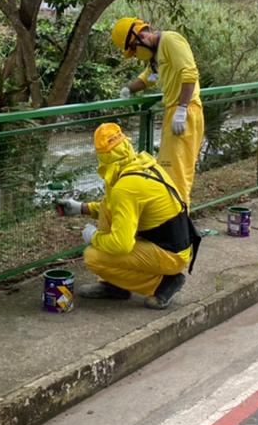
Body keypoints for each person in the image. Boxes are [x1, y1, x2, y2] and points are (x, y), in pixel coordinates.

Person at [59, 123, 200, 309]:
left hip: (170, 254)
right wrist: (81, 208)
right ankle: (115, 285)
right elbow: (113, 207)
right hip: (175, 245)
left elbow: (121, 244)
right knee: (109, 220)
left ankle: (164, 284)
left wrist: (94, 237)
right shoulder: (140, 164)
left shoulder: (126, 187)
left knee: (93, 256)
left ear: (103, 156)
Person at [110, 16, 204, 206]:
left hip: (185, 111)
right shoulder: (158, 55)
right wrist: (128, 89)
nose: (136, 55)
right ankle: (177, 223)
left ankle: (179, 226)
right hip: (175, 111)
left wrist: (182, 108)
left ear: (141, 35)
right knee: (171, 171)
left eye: (134, 49)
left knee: (175, 175)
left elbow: (190, 73)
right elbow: (149, 78)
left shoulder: (170, 40)